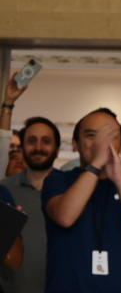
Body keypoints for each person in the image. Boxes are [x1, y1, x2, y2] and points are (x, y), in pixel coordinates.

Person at [43, 107, 121, 292]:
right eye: (91, 135)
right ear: (75, 144)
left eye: (110, 136)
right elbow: (65, 217)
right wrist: (96, 164)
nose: (101, 144)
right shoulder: (58, 180)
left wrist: (119, 178)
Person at [0, 114, 61, 293]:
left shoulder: (73, 190)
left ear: (57, 149)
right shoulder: (4, 190)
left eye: (46, 141)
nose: (38, 147)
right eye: (32, 140)